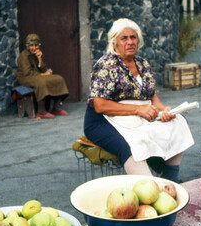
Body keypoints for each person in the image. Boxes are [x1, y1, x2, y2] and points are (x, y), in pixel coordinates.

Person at [83, 18, 194, 182]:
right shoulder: (106, 64)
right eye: (124, 38)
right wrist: (138, 109)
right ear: (114, 43)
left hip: (135, 118)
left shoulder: (142, 64)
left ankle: (171, 179)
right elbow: (100, 105)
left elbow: (152, 96)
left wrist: (164, 111)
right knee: (130, 145)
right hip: (103, 121)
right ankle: (151, 186)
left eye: (133, 37)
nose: (130, 42)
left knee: (177, 122)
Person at [17, 34, 69, 119]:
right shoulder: (23, 56)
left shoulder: (38, 54)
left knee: (59, 78)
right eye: (31, 46)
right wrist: (42, 75)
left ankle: (56, 108)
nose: (34, 48)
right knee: (40, 82)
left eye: (36, 45)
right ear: (27, 46)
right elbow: (27, 72)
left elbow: (44, 69)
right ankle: (41, 111)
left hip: (37, 76)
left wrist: (40, 59)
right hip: (25, 78)